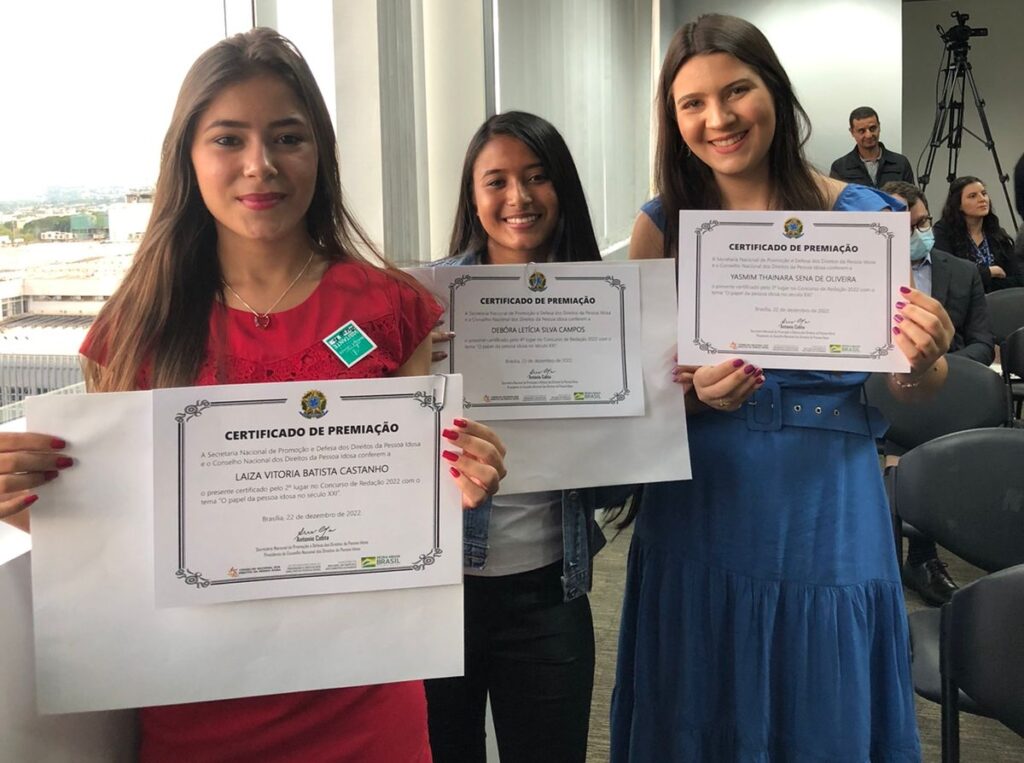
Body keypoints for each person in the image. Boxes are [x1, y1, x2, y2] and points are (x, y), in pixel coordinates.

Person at [0, 28, 507, 762]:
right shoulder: (137, 327)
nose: (260, 165)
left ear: (321, 153)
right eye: (228, 139)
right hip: (196, 701)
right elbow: (110, 532)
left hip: (364, 695)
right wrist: (26, 501)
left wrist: (460, 481)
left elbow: (412, 510)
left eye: (288, 138)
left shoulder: (390, 309)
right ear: (187, 157)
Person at [612, 15, 954, 761]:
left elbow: (915, 384)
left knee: (823, 691)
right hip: (703, 498)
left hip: (827, 497)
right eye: (693, 103)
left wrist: (925, 355)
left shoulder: (867, 218)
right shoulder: (661, 226)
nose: (719, 118)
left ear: (774, 90)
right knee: (702, 687)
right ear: (673, 118)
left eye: (737, 90)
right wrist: (694, 394)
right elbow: (636, 400)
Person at [424, 111, 625, 763]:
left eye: (538, 177)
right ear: (472, 194)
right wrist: (406, 368)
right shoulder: (423, 302)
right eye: (497, 181)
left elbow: (614, 488)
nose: (519, 197)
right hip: (439, 592)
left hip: (548, 589)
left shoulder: (609, 301)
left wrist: (652, 405)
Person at [881, 180, 994, 606]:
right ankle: (906, 558)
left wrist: (939, 368)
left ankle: (920, 557)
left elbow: (982, 342)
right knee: (902, 426)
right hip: (886, 391)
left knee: (922, 427)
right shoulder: (862, 275)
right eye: (904, 227)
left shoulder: (963, 271)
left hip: (952, 386)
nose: (917, 233)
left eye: (922, 223)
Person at [933, 175, 1022, 292]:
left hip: (1000, 299)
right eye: (972, 196)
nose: (982, 199)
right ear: (958, 204)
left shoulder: (997, 233)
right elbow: (950, 274)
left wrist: (981, 281)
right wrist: (989, 272)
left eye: (984, 194)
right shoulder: (944, 232)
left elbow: (1018, 279)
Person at [829, 106, 915, 188]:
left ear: (879, 127)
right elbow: (835, 198)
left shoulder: (901, 163)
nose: (868, 135)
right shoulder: (840, 168)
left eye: (872, 128)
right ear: (852, 132)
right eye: (862, 131)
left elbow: (913, 197)